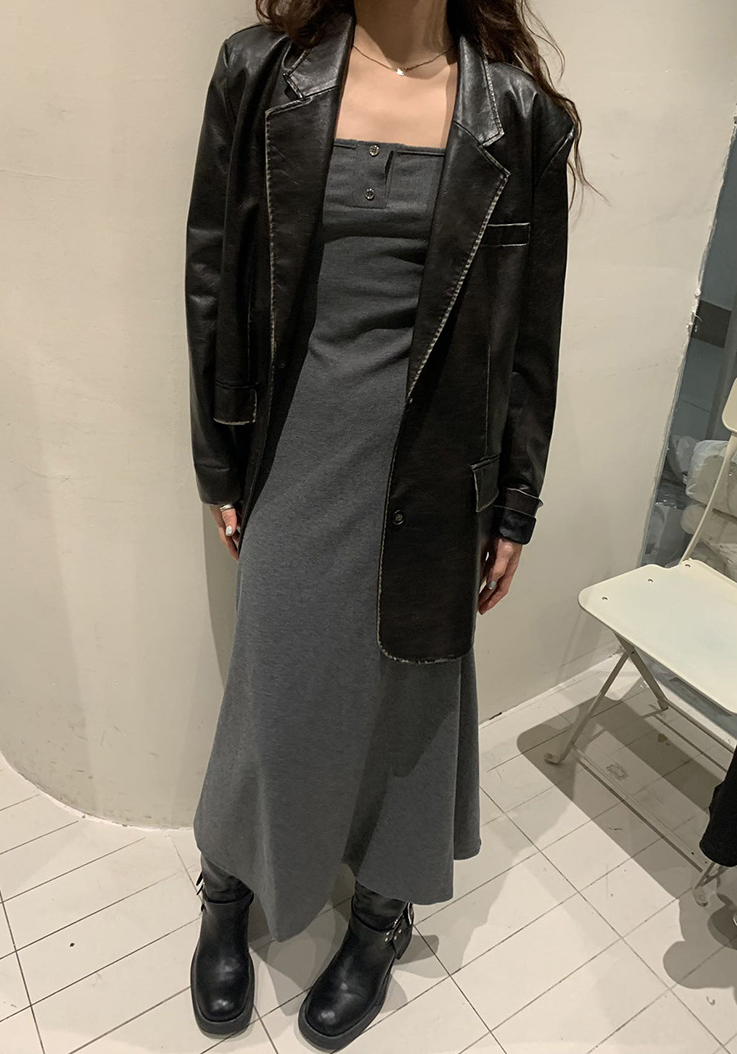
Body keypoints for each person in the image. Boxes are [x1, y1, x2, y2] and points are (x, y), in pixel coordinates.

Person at [184, 0, 591, 1048]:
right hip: (297, 439)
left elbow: (532, 329)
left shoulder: (520, 116)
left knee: (415, 690)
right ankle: (228, 881)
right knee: (274, 674)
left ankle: (380, 911)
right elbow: (212, 274)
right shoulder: (263, 73)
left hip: (441, 456)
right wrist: (217, 454)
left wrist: (515, 498)